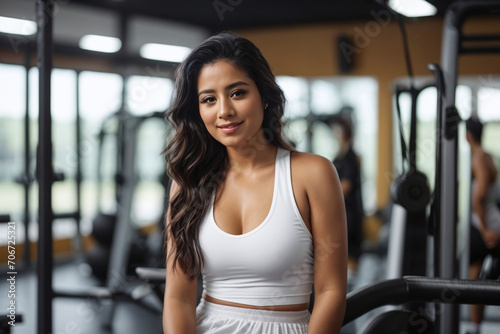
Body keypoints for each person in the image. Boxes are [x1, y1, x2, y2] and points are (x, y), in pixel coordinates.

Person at [162, 32, 347, 334]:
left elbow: (331, 291)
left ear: (264, 96)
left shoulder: (313, 173)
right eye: (209, 99)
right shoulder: (188, 183)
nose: (224, 111)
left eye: (237, 93)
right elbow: (178, 298)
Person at [465, 117, 500, 334]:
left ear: (467, 135)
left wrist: (486, 229)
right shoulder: (488, 156)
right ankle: (474, 327)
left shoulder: (478, 158)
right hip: (487, 224)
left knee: (474, 279)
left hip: (483, 226)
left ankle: (474, 327)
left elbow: (480, 198)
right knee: (482, 278)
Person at [331, 116, 364, 284]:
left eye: (337, 131)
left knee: (350, 250)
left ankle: (351, 291)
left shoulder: (350, 156)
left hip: (350, 213)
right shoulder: (340, 154)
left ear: (344, 133)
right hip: (342, 211)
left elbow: (346, 186)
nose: (335, 134)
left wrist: (324, 196)